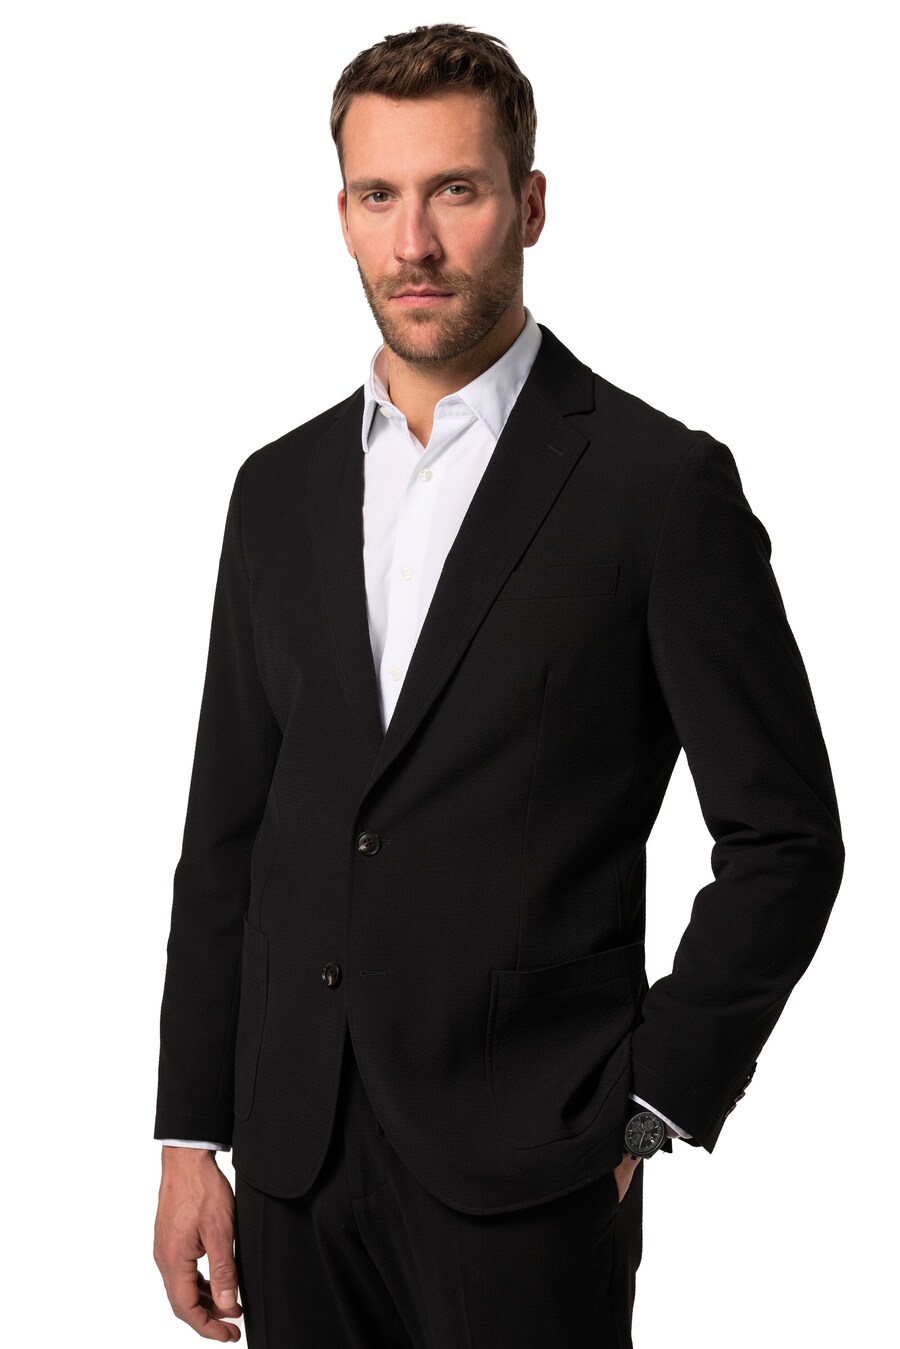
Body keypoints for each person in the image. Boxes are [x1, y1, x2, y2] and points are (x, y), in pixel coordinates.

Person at [153, 22, 844, 1347]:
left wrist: (650, 1105)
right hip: (294, 1163)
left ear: (528, 205)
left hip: (534, 1166)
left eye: (454, 192)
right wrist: (192, 1133)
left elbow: (786, 838)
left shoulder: (659, 489)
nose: (413, 242)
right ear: (343, 216)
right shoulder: (276, 491)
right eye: (378, 195)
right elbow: (228, 833)